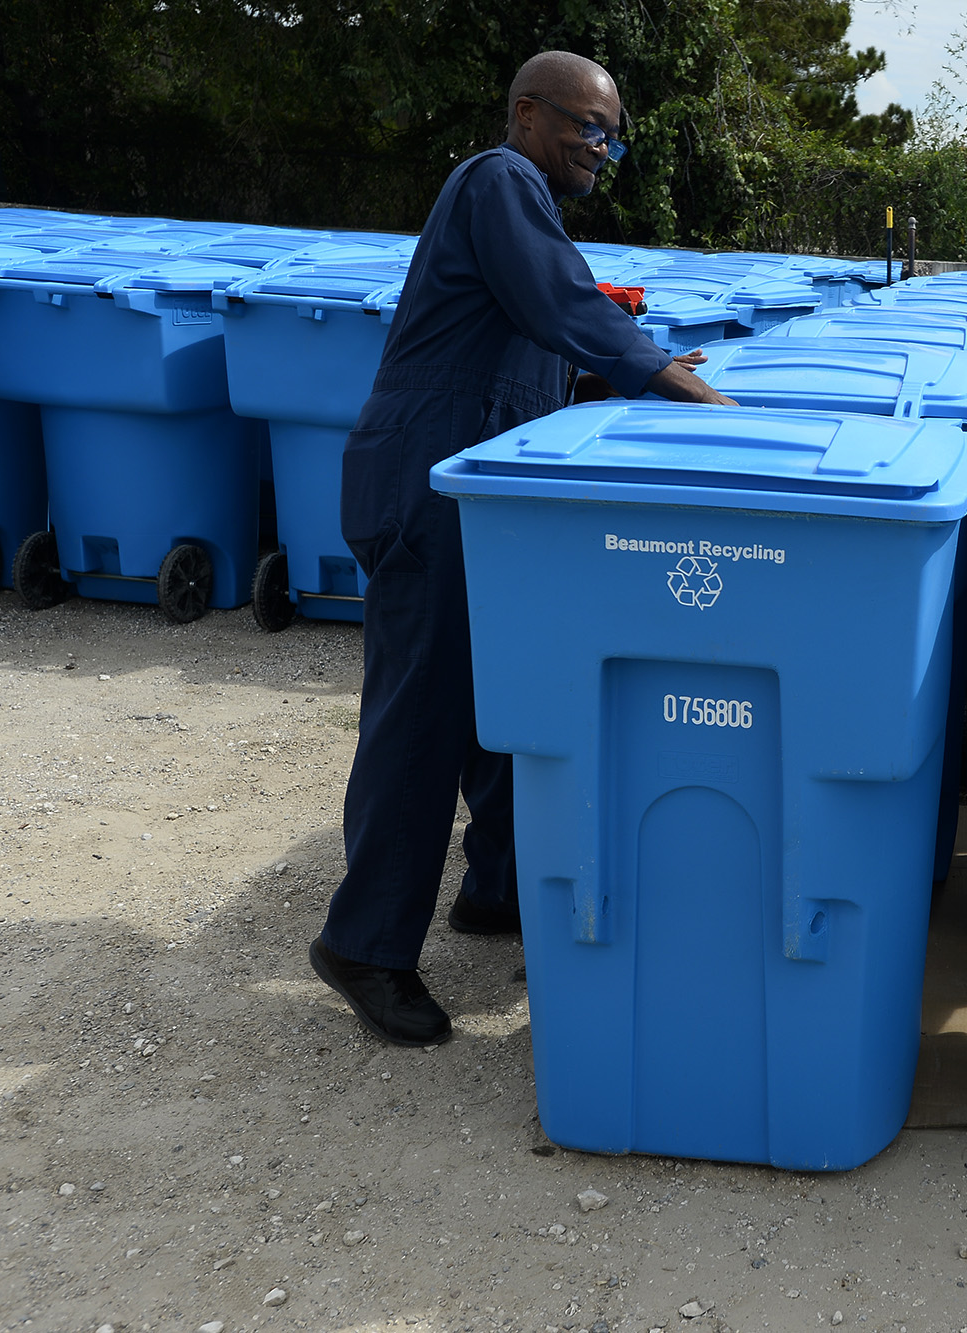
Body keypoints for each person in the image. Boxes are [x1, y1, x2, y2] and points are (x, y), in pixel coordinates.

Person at [309, 50, 736, 1047]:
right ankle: (364, 943)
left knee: (496, 692)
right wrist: (708, 410)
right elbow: (566, 312)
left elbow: (539, 353)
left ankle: (496, 887)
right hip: (426, 482)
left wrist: (632, 375)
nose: (603, 145)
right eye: (587, 124)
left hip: (469, 490)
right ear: (527, 114)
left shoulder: (523, 214)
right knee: (421, 712)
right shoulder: (499, 182)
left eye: (612, 132)